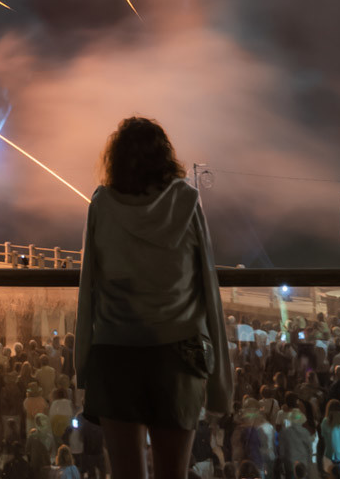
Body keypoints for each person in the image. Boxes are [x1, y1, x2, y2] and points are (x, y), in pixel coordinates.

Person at [74, 117, 233, 479]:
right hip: (179, 354)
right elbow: (208, 286)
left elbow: (88, 290)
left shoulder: (100, 205)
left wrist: (82, 365)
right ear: (166, 158)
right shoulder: (187, 201)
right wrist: (221, 385)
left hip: (115, 354)